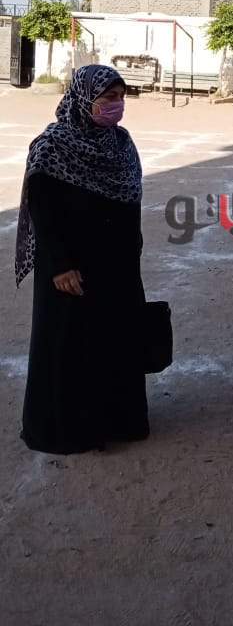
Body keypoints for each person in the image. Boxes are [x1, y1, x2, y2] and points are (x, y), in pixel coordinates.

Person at [15, 64, 148, 454]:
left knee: (115, 342)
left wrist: (132, 252)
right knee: (70, 346)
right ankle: (69, 429)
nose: (117, 105)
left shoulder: (122, 143)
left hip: (117, 265)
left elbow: (131, 199)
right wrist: (59, 265)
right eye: (108, 98)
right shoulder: (52, 146)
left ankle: (116, 422)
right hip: (71, 268)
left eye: (121, 97)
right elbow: (43, 211)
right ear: (83, 99)